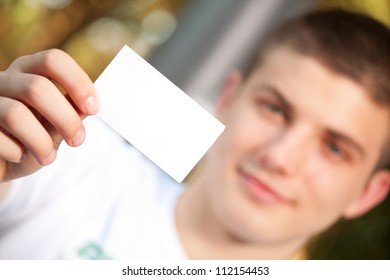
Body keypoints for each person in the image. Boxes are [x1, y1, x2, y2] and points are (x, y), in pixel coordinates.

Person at [0, 9, 389, 259]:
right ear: (227, 98)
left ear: (368, 194)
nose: (280, 157)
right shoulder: (72, 158)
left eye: (335, 148)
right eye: (274, 109)